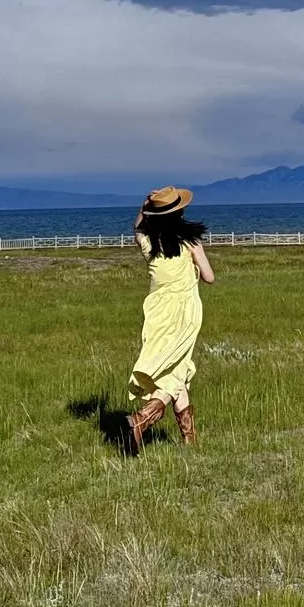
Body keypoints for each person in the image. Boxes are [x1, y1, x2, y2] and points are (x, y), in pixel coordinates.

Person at [127, 185, 215, 452]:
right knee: (175, 371)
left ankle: (189, 440)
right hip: (185, 312)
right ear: (180, 213)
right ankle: (142, 419)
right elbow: (210, 277)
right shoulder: (190, 242)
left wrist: (145, 205)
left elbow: (137, 229)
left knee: (175, 369)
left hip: (157, 313)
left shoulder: (148, 243)